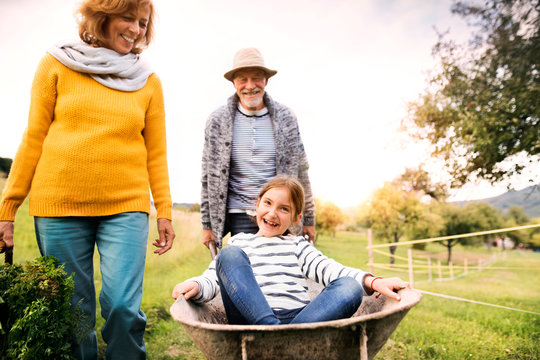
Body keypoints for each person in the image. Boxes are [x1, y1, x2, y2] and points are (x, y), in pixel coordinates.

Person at [0, 0, 174, 358]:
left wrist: (166, 211)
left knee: (123, 309)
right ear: (103, 16)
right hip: (59, 207)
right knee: (73, 315)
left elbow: (156, 154)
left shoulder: (148, 81)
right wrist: (8, 207)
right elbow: (34, 137)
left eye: (142, 23)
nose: (137, 30)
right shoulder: (56, 63)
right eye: (128, 18)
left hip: (126, 206)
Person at [173, 175, 409, 325]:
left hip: (300, 319)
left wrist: (374, 282)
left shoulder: (297, 245)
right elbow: (215, 278)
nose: (273, 213)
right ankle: (270, 329)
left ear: (296, 219)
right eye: (267, 203)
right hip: (249, 318)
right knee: (228, 255)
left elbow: (331, 270)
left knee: (349, 286)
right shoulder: (240, 243)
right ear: (257, 205)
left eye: (284, 209)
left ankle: (285, 334)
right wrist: (196, 285)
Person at [200, 48, 316, 250]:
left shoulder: (286, 118)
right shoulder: (217, 121)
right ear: (234, 83)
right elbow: (207, 176)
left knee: (279, 276)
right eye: (243, 79)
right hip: (240, 216)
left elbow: (302, 171)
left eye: (256, 78)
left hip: (279, 214)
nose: (250, 86)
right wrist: (207, 225)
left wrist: (308, 218)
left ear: (266, 81)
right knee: (244, 276)